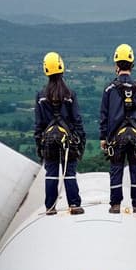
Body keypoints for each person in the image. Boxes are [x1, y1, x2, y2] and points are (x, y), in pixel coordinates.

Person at [99, 43, 136, 214]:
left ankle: (115, 205)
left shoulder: (109, 89)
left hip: (117, 137)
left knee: (116, 169)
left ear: (116, 65)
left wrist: (102, 137)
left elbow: (104, 116)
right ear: (132, 64)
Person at [33, 51, 85, 215]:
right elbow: (77, 120)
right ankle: (74, 204)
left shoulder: (41, 96)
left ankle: (50, 206)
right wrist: (80, 142)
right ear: (62, 67)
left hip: (48, 141)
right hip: (67, 140)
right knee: (69, 172)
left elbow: (39, 124)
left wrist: (39, 144)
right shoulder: (69, 94)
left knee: (51, 173)